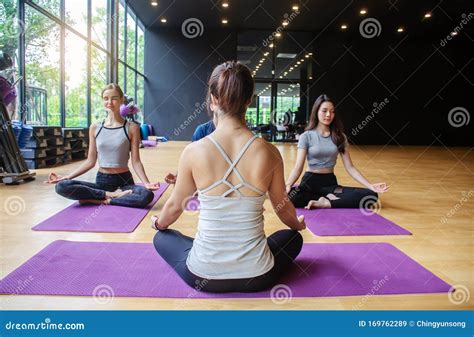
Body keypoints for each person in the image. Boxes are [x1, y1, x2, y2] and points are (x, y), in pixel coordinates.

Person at [152, 61, 305, 293]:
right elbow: (283, 209)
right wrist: (298, 224)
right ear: (249, 100)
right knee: (293, 238)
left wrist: (158, 223)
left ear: (212, 99)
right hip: (259, 276)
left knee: (161, 237)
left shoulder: (193, 151)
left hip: (202, 274)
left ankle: (212, 251)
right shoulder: (270, 152)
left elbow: (174, 207)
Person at [47, 83, 160, 208]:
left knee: (146, 195)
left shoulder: (132, 127)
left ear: (122, 100)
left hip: (124, 182)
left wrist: (146, 183)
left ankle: (103, 199)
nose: (110, 102)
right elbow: (90, 161)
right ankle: (109, 194)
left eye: (114, 98)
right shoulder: (95, 128)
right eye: (106, 98)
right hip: (102, 181)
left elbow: (136, 161)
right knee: (62, 186)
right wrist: (67, 177)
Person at [286, 94, 389, 209]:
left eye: (332, 111)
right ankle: (321, 198)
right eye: (324, 111)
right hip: (309, 183)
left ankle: (328, 203)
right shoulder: (306, 136)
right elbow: (297, 167)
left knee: (371, 195)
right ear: (316, 112)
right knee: (287, 196)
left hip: (330, 184)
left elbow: (350, 167)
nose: (329, 115)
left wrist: (370, 185)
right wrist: (289, 184)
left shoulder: (340, 137)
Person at [164, 111, 218, 184]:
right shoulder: (202, 130)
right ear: (212, 104)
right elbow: (191, 158)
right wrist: (178, 175)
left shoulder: (237, 133)